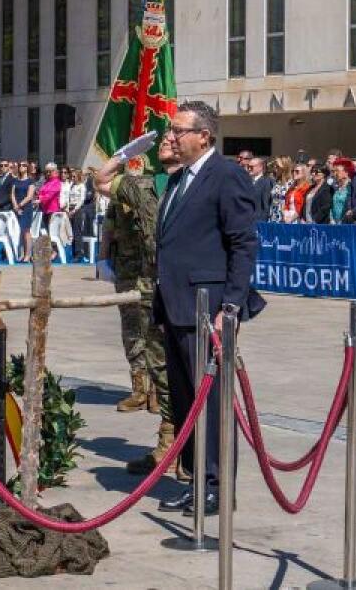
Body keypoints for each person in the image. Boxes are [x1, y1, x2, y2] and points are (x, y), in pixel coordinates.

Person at [154, 101, 263, 518]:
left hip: (208, 307)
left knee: (212, 403)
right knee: (186, 402)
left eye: (180, 130)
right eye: (172, 129)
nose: (173, 136)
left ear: (204, 136)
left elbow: (243, 243)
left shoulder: (226, 175)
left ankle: (218, 485)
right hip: (175, 305)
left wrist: (232, 304)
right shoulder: (179, 179)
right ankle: (196, 479)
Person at [94, 138, 182, 479]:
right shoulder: (145, 186)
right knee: (159, 361)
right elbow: (101, 180)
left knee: (188, 366)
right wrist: (125, 153)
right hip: (151, 284)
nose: (167, 140)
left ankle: (188, 447)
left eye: (176, 136)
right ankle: (168, 441)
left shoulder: (203, 182)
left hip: (191, 288)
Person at [11, 162, 36, 260]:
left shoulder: (30, 181)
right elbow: (12, 194)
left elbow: (29, 196)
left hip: (26, 209)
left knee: (26, 231)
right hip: (17, 208)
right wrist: (15, 206)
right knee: (20, 232)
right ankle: (22, 253)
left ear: (27, 168)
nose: (21, 166)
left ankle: (28, 255)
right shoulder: (16, 181)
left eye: (24, 165)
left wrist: (20, 205)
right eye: (20, 165)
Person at [249, 157, 275, 223]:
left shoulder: (266, 182)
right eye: (248, 166)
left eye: (251, 167)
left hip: (258, 221)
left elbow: (266, 205)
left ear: (260, 167)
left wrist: (262, 223)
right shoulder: (248, 181)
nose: (249, 169)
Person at [268, 156, 293, 223]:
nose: (275, 169)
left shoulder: (291, 184)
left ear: (284, 168)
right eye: (275, 166)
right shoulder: (276, 182)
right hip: (273, 215)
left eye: (277, 167)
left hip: (284, 218)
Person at [330, 158, 354, 223]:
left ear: (346, 172)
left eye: (337, 171)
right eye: (334, 171)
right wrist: (331, 220)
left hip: (346, 222)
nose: (335, 174)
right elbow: (331, 205)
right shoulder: (334, 187)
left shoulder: (352, 187)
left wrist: (342, 221)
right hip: (333, 223)